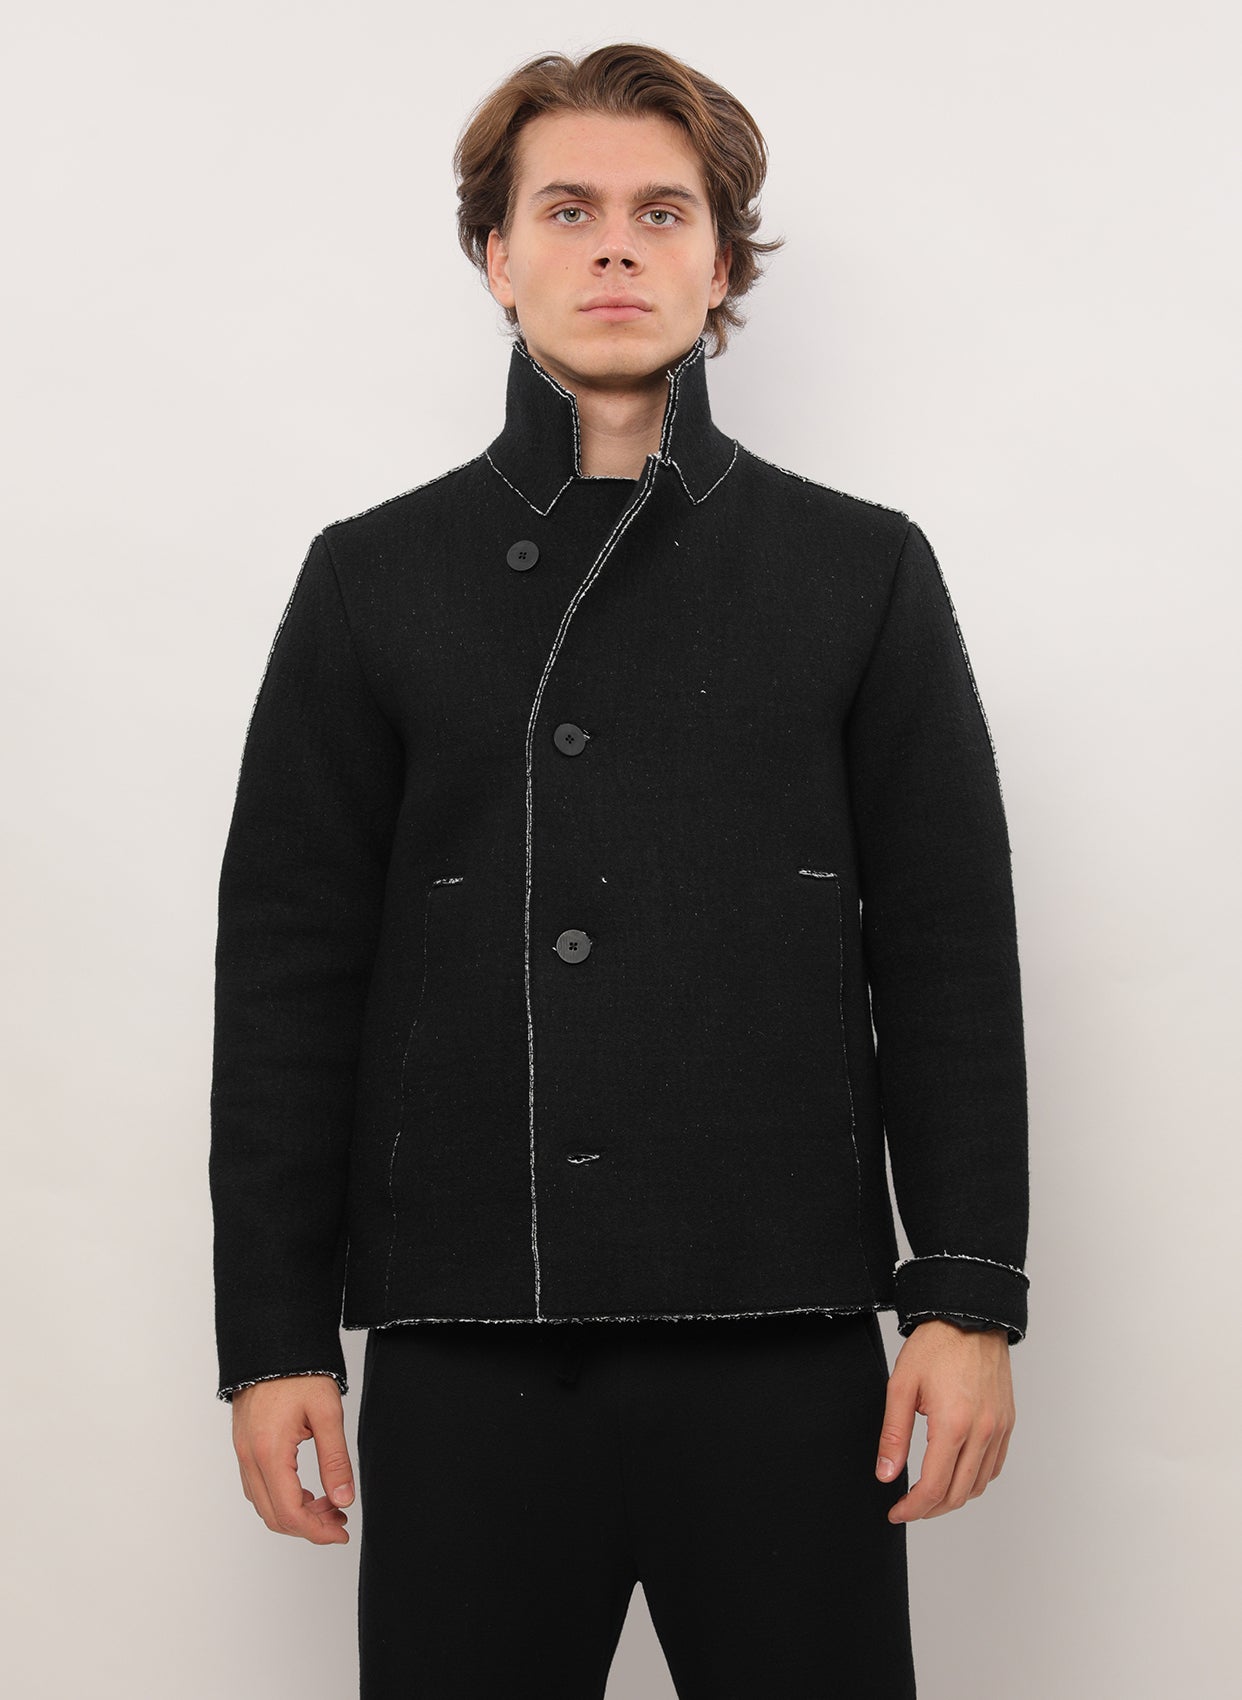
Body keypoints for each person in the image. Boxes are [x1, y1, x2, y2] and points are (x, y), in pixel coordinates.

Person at [209, 41, 1029, 1699]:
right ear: (494, 255)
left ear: (719, 265)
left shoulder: (858, 569)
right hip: (468, 1335)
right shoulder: (372, 577)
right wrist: (275, 1341)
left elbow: (946, 955)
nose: (612, 248)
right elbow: (290, 974)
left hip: (784, 1329)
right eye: (565, 209)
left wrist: (962, 1299)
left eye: (662, 214)